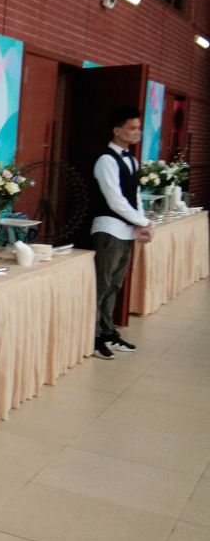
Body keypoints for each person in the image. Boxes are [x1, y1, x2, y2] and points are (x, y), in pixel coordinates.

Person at [90, 107, 152, 360]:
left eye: (139, 128)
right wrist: (142, 221)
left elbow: (134, 196)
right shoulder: (106, 160)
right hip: (108, 229)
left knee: (114, 285)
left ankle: (108, 332)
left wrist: (141, 223)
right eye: (132, 128)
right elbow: (114, 199)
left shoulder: (132, 160)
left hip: (126, 230)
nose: (137, 132)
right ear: (117, 130)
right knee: (101, 285)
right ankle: (93, 336)